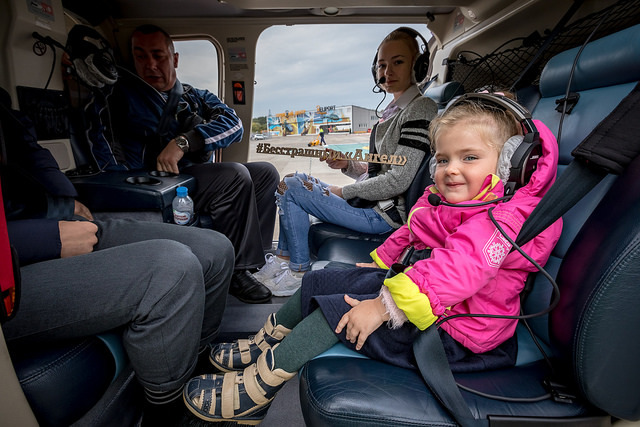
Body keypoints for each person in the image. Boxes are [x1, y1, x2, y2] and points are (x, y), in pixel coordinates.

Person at [182, 93, 563, 424]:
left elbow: (457, 271)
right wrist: (380, 263)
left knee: (337, 310)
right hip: (429, 302)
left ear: (509, 165)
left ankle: (256, 393)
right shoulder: (454, 201)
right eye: (443, 159)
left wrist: (381, 306)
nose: (451, 170)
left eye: (469, 157)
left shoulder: (501, 219)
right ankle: (262, 346)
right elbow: (412, 231)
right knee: (321, 280)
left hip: (462, 335)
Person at [0, 87, 234, 426]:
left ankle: (193, 367)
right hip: (14, 262)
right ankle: (167, 410)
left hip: (49, 218)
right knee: (171, 268)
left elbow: (27, 148)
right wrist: (45, 239)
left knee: (216, 248)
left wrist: (66, 201)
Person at [88, 24, 277, 304]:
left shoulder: (194, 96)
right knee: (234, 175)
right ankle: (235, 271)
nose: (150, 64)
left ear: (174, 59)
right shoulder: (120, 96)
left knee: (265, 173)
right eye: (140, 56)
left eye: (158, 55)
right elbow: (98, 140)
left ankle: (255, 263)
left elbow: (233, 124)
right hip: (152, 182)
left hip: (190, 177)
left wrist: (183, 142)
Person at [254, 28, 438, 296]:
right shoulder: (393, 111)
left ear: (418, 66)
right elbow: (381, 167)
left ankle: (298, 271)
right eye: (382, 65)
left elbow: (398, 179)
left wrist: (343, 191)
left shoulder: (420, 108)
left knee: (293, 187)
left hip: (384, 216)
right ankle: (283, 260)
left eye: (398, 62)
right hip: (373, 203)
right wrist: (348, 166)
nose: (387, 71)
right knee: (295, 181)